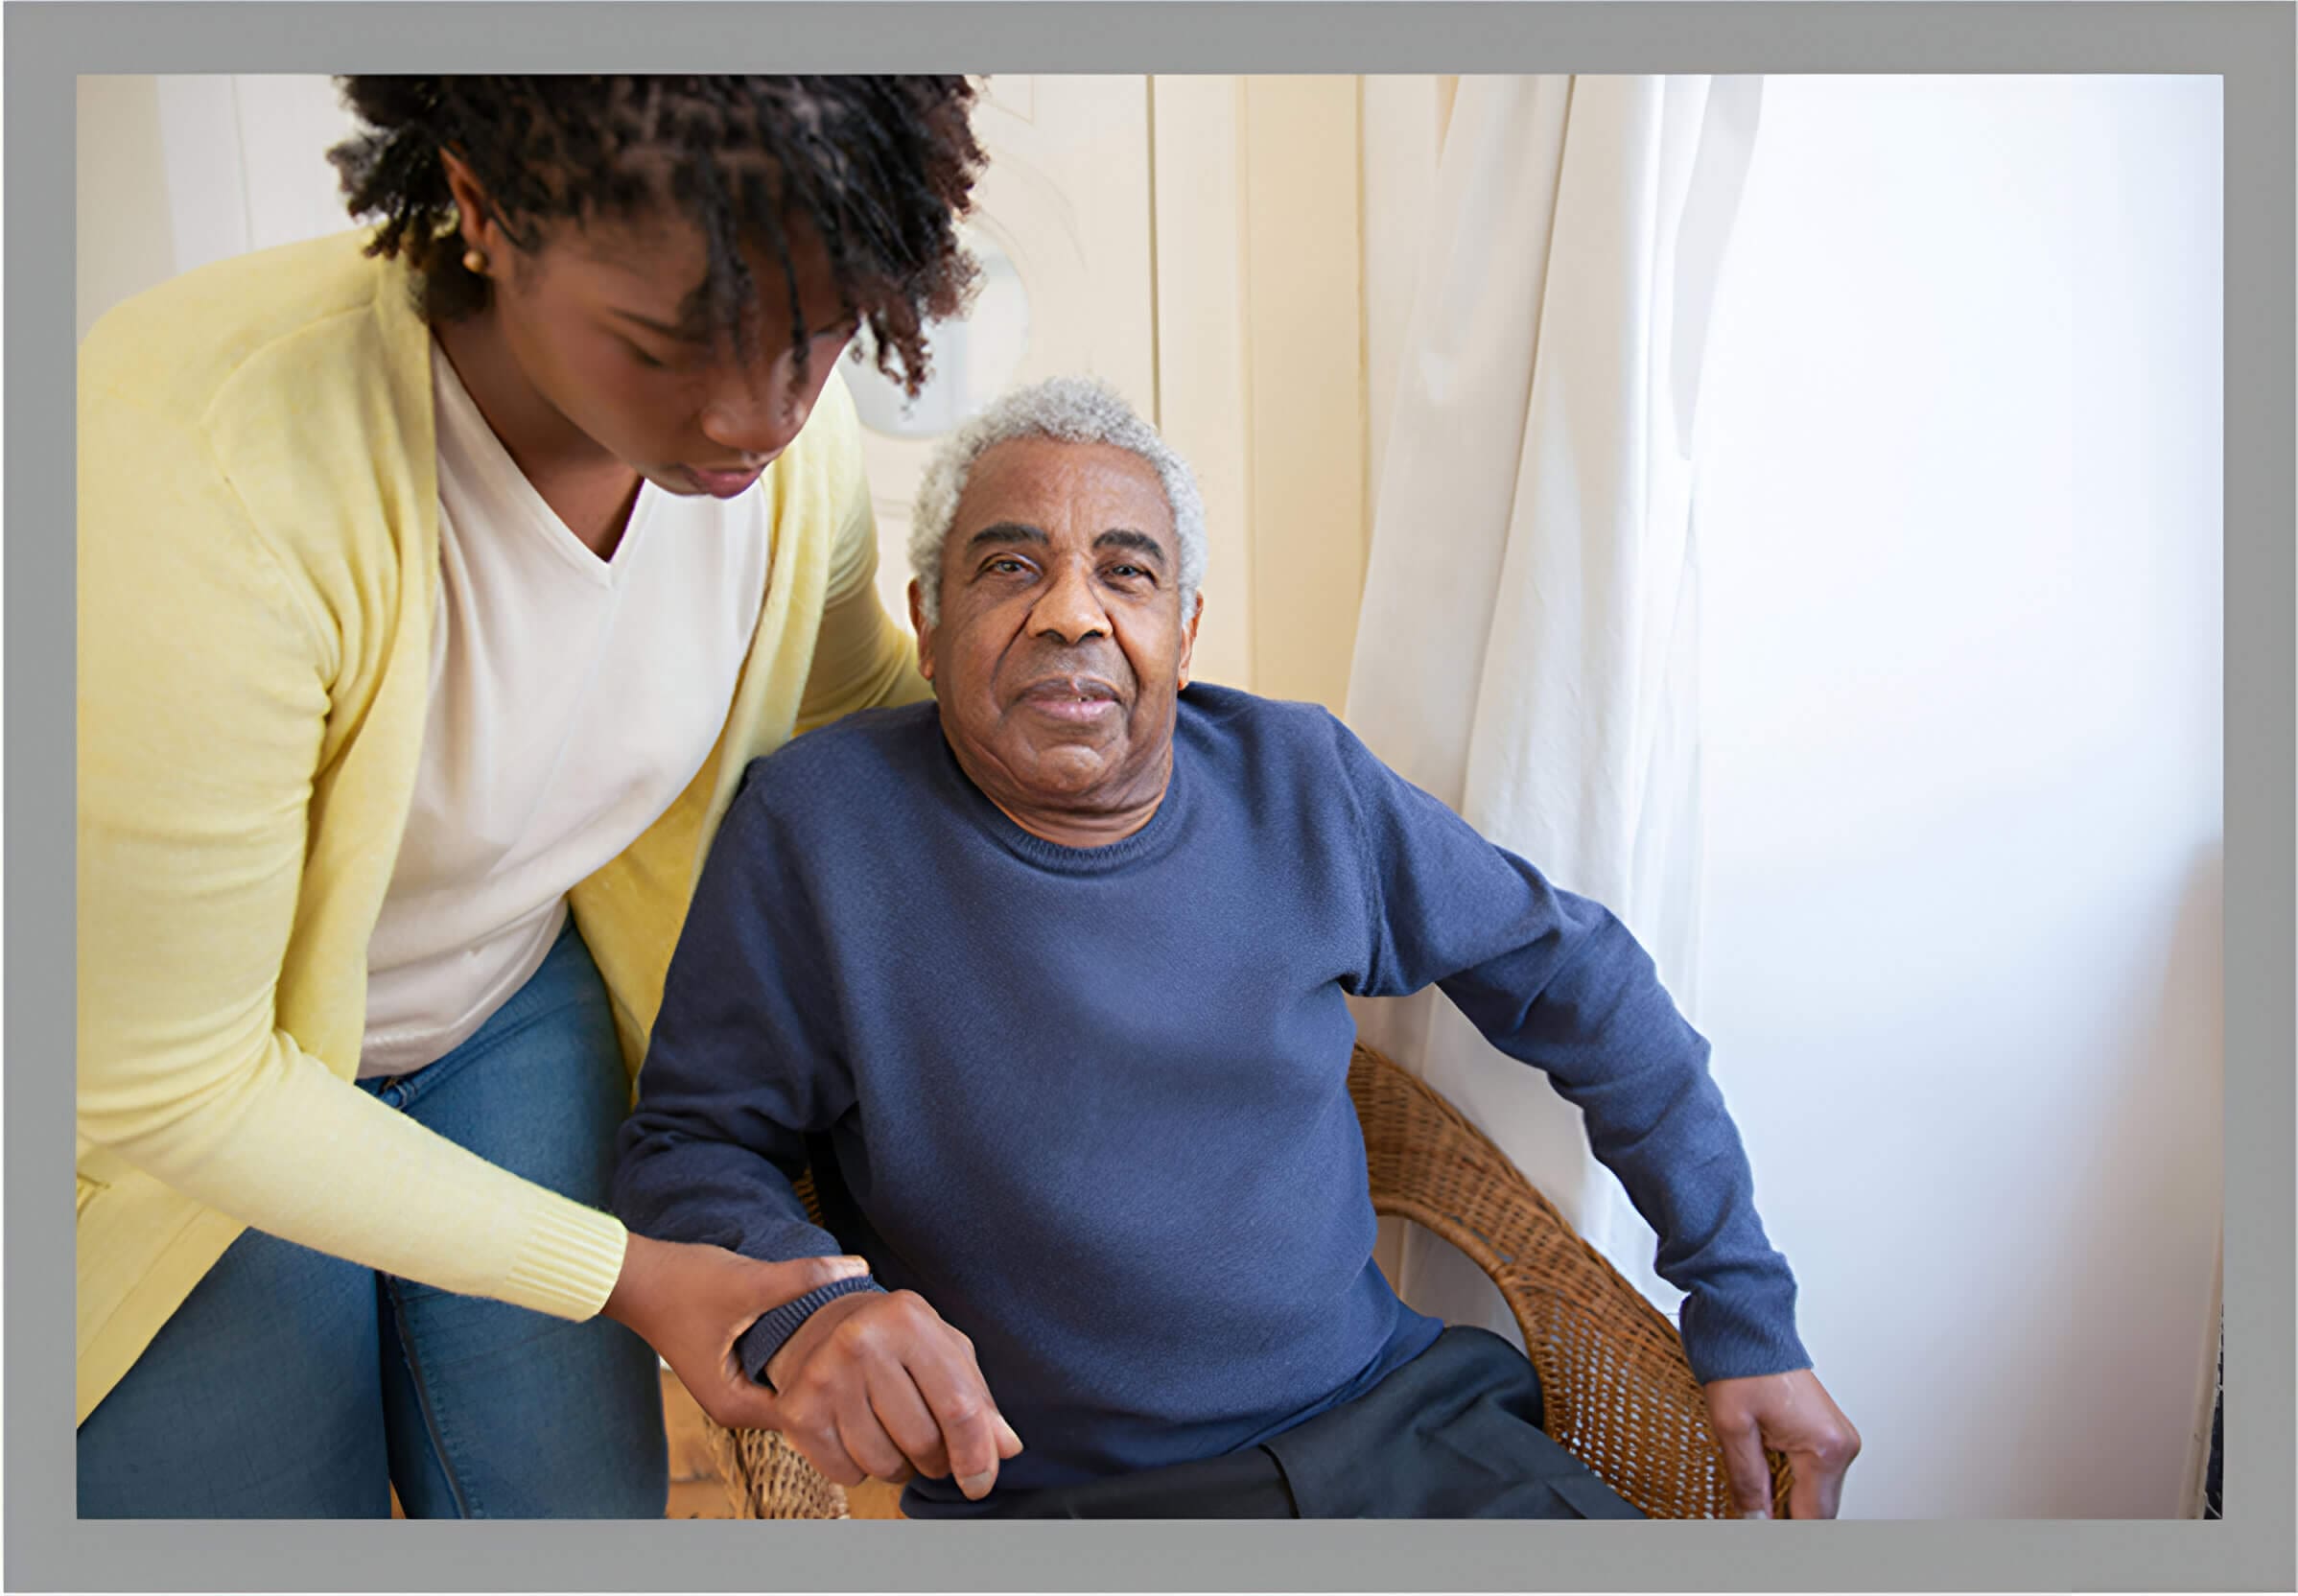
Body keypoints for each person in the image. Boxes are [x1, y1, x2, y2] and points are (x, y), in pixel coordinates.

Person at [611, 376, 1864, 1519]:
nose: (1071, 616)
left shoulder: (1300, 780)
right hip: (1068, 1499)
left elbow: (1583, 982)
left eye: (1126, 572)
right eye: (1009, 567)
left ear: (1187, 630)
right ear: (927, 623)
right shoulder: (818, 829)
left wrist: (1743, 1308)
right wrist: (810, 1305)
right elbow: (690, 1145)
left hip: (1406, 1433)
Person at [75, 75, 989, 1518]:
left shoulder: (790, 462)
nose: (755, 415)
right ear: (485, 210)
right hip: (164, 1091)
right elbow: (173, 1076)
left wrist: (1163, 788)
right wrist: (625, 1278)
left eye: (816, 342)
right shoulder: (202, 468)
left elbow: (850, 712)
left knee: (562, 1506)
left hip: (500, 994)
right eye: (664, 344)